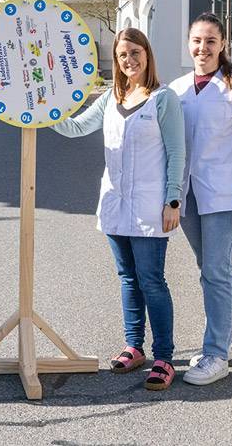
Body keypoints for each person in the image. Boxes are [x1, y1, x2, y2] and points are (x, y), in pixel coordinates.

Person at [51, 28, 185, 390]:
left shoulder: (163, 99)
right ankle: (133, 346)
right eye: (123, 54)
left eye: (135, 52)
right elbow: (76, 127)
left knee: (151, 280)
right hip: (115, 202)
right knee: (127, 278)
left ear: (147, 54)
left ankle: (164, 357)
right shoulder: (110, 98)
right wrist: (44, 113)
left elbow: (177, 153)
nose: (129, 60)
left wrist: (173, 200)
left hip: (150, 206)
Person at [170, 13, 232, 386]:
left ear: (223, 44)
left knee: (217, 271)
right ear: (188, 43)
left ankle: (217, 354)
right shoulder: (178, 88)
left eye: (211, 41)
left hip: (226, 193)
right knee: (208, 270)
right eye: (196, 40)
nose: (203, 48)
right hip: (189, 194)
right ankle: (218, 342)